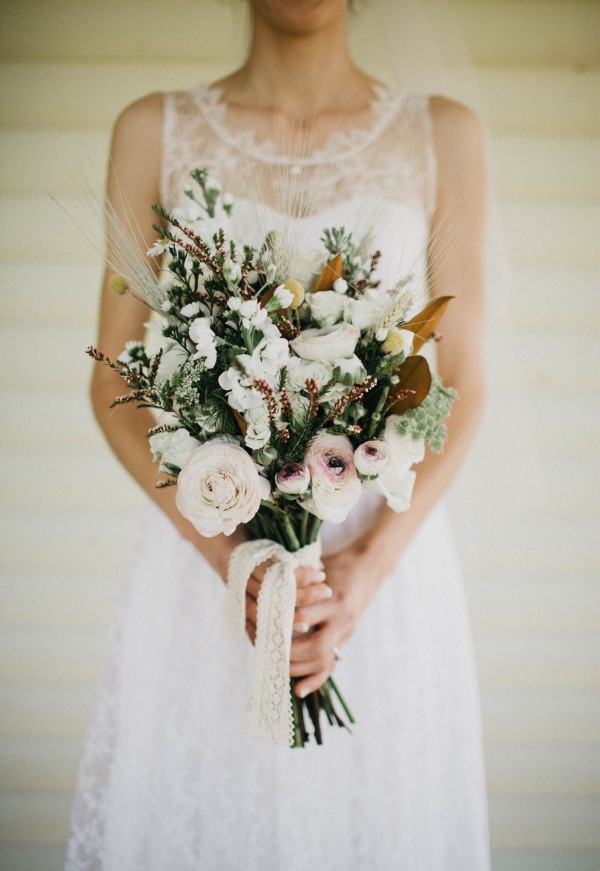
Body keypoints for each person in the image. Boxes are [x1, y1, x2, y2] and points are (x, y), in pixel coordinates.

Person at [66, 0, 491, 868]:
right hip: (207, 560)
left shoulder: (445, 134)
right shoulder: (154, 130)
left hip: (378, 569)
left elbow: (463, 382)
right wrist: (237, 564)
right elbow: (114, 372)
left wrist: (364, 568)